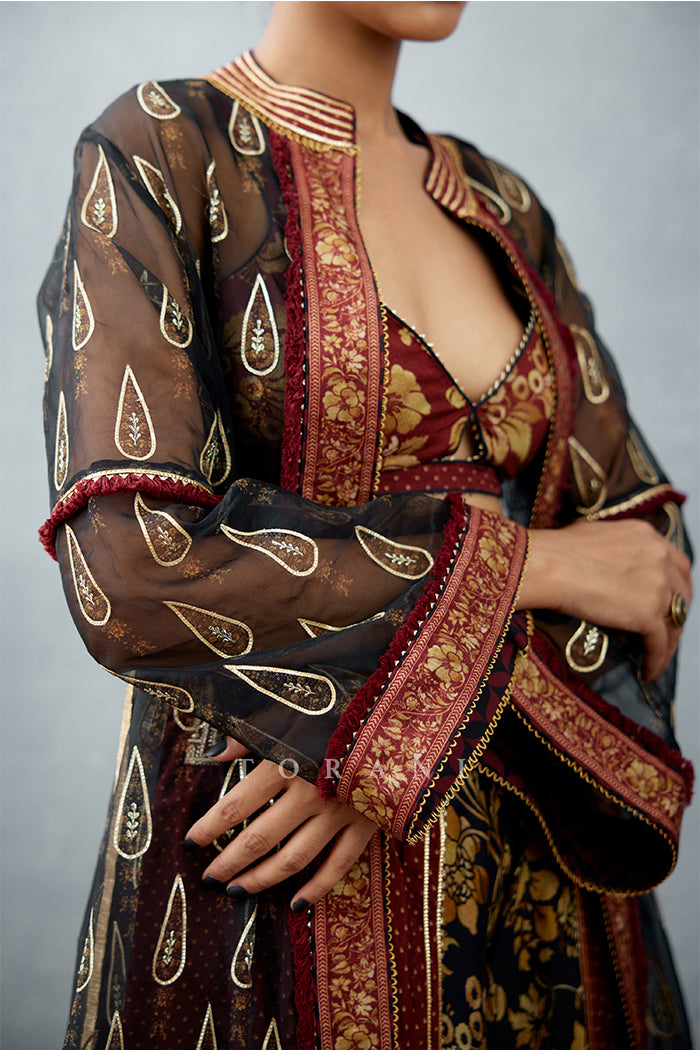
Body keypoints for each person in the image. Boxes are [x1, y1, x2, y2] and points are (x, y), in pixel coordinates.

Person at [38, 3, 694, 1047]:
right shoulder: (166, 149)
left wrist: (395, 733)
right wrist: (521, 580)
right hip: (281, 871)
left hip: (546, 892)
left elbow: (645, 561)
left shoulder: (503, 207)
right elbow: (132, 569)